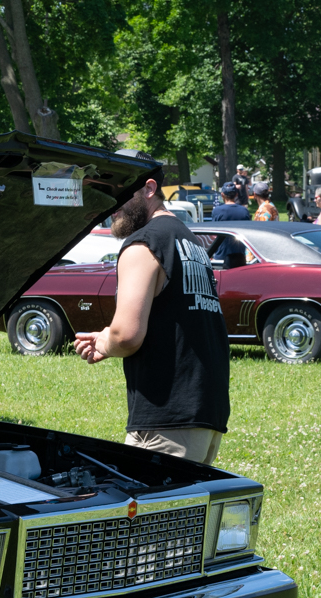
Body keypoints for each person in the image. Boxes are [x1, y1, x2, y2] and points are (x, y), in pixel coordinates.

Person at [72, 175, 230, 466]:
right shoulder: (189, 240)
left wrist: (107, 342)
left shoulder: (143, 244)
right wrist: (110, 334)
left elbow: (126, 336)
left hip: (167, 416)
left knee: (140, 495)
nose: (110, 204)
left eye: (118, 191)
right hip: (205, 412)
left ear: (149, 188)